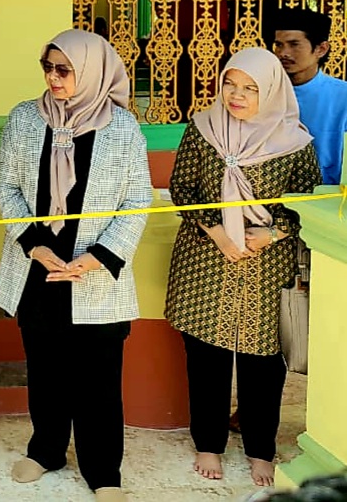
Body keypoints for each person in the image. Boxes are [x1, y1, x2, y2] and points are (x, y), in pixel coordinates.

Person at [0, 30, 152, 502]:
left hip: (96, 273)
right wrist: (36, 246)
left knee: (100, 379)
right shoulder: (25, 118)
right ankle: (46, 451)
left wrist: (96, 259)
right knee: (45, 370)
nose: (54, 78)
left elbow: (138, 200)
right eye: (48, 68)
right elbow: (6, 186)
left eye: (65, 70)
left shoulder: (121, 127)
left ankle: (103, 470)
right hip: (38, 267)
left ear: (93, 71)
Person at [165, 47, 321, 487]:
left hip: (264, 264)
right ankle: (208, 443)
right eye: (231, 83)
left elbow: (304, 203)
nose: (236, 95)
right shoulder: (202, 129)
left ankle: (260, 449)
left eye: (250, 88)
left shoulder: (294, 142)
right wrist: (217, 230)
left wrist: (270, 234)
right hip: (206, 258)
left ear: (270, 91)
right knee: (207, 358)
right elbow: (183, 187)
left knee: (262, 363)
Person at [272, 8, 347, 185]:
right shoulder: (259, 93)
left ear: (321, 49)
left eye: (294, 44)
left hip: (327, 202)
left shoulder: (343, 97)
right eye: (278, 45)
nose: (283, 53)